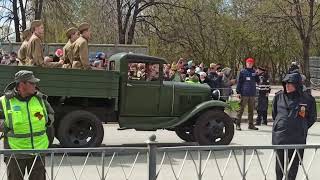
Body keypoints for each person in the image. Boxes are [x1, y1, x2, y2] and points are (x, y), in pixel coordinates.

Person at [0, 70, 55, 180]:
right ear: (21, 84)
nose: (35, 85)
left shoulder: (40, 99)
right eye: (32, 83)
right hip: (15, 152)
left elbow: (51, 113)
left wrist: (48, 120)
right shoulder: (4, 101)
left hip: (38, 151)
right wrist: (4, 125)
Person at [272, 72, 316, 180]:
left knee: (293, 166)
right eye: (286, 83)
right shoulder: (279, 97)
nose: (287, 85)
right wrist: (280, 124)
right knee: (279, 167)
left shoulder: (308, 99)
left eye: (290, 83)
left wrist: (302, 126)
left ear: (297, 85)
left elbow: (312, 118)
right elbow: (274, 114)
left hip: (297, 138)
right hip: (280, 137)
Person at [235, 58, 259, 130]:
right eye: (248, 63)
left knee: (251, 110)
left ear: (253, 64)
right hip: (244, 93)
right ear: (246, 63)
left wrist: (257, 75)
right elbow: (239, 82)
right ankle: (238, 124)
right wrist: (238, 92)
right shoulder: (242, 72)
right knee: (241, 109)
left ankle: (251, 125)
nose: (250, 64)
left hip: (252, 93)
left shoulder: (254, 72)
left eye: (251, 63)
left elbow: (258, 81)